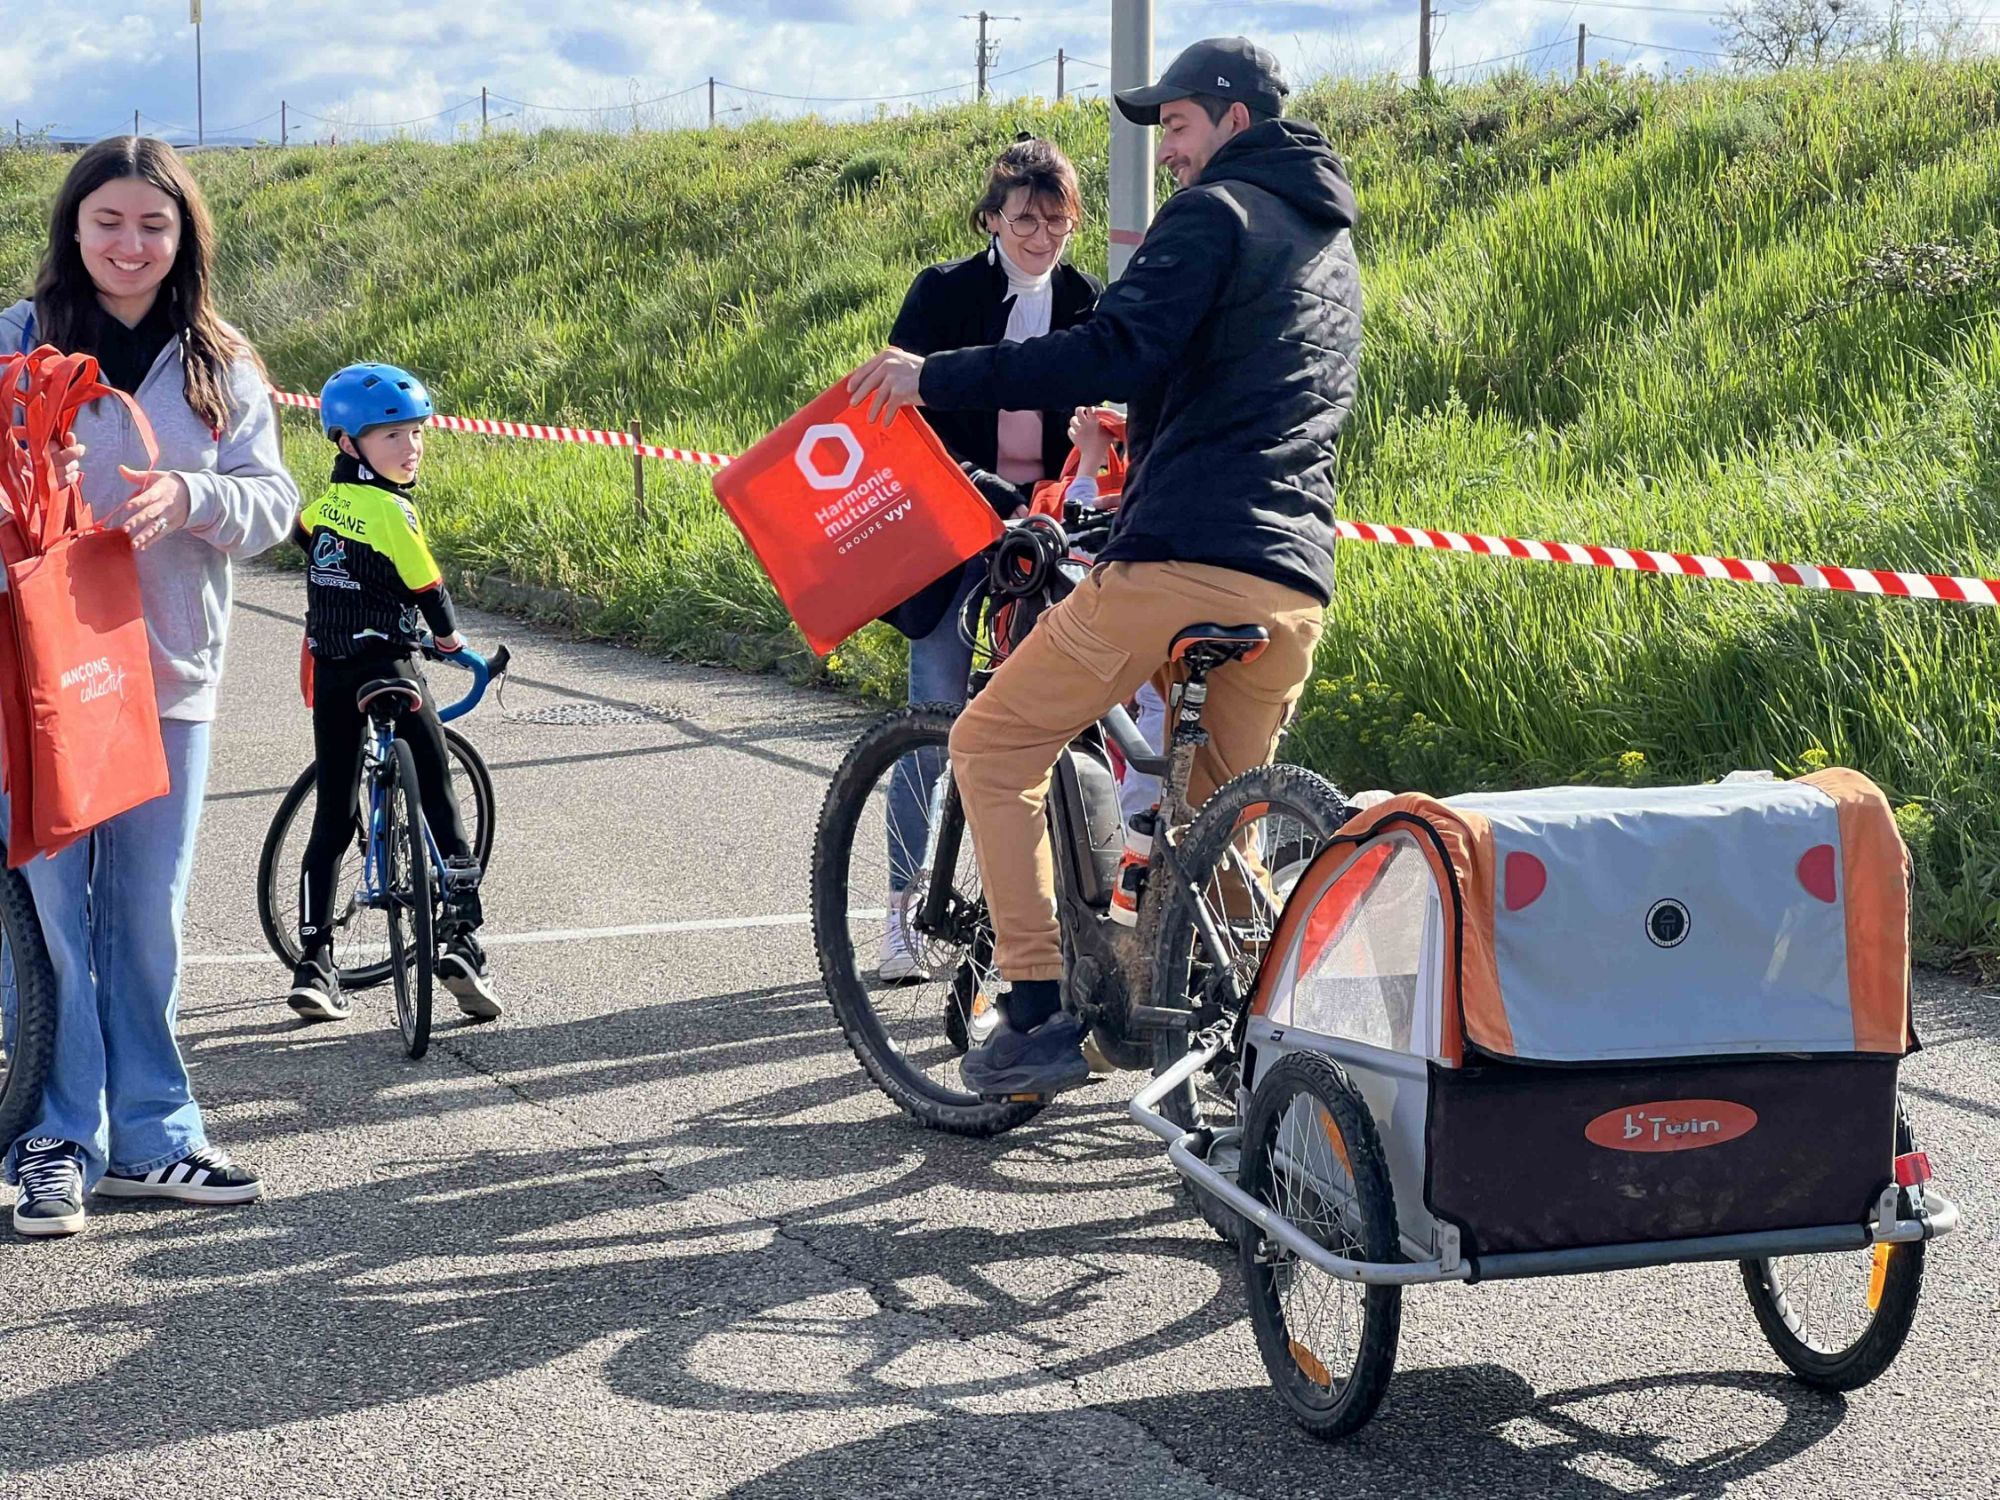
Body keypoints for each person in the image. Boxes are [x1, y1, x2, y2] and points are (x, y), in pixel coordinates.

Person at [850, 37, 1362, 1098]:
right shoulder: (1327, 247)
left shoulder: (1213, 214)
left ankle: (1034, 1008)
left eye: (1174, 125)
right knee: (1215, 833)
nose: (1165, 151)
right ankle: (1262, 1064)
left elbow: (1111, 348)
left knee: (991, 743)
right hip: (1293, 581)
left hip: (1182, 563)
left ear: (1231, 119)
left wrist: (935, 376)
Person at [1, 136, 302, 1237]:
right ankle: (53, 1140)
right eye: (109, 221)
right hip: (39, 680)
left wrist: (192, 497)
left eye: (153, 225)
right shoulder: (16, 342)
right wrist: (25, 482)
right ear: (73, 227)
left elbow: (273, 504)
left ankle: (153, 1138)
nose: (129, 245)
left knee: (146, 918)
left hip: (169, 677)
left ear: (184, 237)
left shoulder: (221, 358)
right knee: (48, 921)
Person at [875, 136, 1102, 983]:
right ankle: (900, 911)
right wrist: (986, 493)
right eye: (1024, 220)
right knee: (931, 719)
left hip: (1046, 530)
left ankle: (1039, 925)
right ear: (991, 220)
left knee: (1052, 727)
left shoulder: (1086, 300)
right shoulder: (942, 293)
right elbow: (903, 416)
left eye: (1057, 221)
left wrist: (1079, 465)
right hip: (953, 523)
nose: (1041, 238)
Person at [286, 363, 499, 1024]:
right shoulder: (393, 510)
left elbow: (302, 537)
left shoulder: (324, 506)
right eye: (391, 436)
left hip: (332, 673)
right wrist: (451, 641)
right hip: (392, 666)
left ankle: (315, 963)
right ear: (348, 443)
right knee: (438, 794)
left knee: (333, 815)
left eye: (416, 433)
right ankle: (461, 938)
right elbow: (428, 589)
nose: (411, 448)